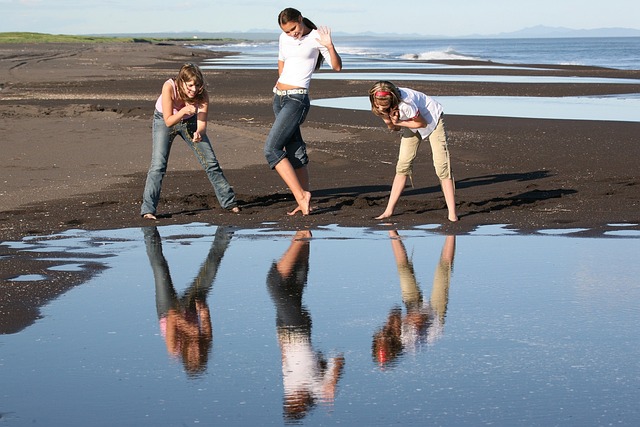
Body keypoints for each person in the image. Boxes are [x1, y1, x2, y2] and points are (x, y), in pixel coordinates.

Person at [264, 7, 343, 216]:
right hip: (279, 98)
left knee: (271, 150)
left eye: (294, 28)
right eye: (288, 31)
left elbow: (337, 67)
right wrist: (282, 83)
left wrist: (330, 46)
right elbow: (282, 62)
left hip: (297, 100)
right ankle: (304, 201)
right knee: (294, 149)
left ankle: (301, 195)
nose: (292, 34)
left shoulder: (317, 37)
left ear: (300, 19)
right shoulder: (284, 38)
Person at [141, 63, 239, 220]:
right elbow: (168, 121)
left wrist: (199, 133)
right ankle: (148, 210)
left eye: (197, 85)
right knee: (158, 165)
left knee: (211, 162)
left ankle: (229, 203)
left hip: (190, 121)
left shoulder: (202, 95)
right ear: (181, 82)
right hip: (165, 120)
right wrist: (183, 111)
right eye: (190, 85)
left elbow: (202, 123)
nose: (194, 89)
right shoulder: (169, 87)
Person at [143, 225, 234, 377]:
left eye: (192, 355)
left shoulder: (174, 349)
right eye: (200, 355)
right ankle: (227, 229)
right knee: (211, 267)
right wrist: (202, 309)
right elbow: (204, 313)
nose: (196, 350)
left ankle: (148, 230)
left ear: (186, 356)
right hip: (190, 308)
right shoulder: (206, 340)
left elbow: (172, 314)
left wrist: (188, 329)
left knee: (160, 268)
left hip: (167, 310)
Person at [369, 81, 458, 222]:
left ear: (392, 99)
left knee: (441, 166)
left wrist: (397, 122)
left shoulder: (406, 104)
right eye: (378, 105)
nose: (380, 107)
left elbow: (422, 123)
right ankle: (388, 211)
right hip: (410, 122)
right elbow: (393, 128)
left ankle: (452, 214)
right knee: (403, 164)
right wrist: (390, 120)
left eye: (384, 106)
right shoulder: (378, 105)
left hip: (431, 119)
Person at [372, 231, 456, 368]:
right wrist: (398, 322)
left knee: (404, 270)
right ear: (391, 344)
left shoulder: (386, 332)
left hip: (412, 311)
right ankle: (452, 232)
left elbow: (395, 310)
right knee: (443, 272)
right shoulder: (408, 340)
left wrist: (392, 323)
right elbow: (420, 318)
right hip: (433, 317)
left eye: (379, 339)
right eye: (383, 341)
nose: (381, 336)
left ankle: (391, 230)